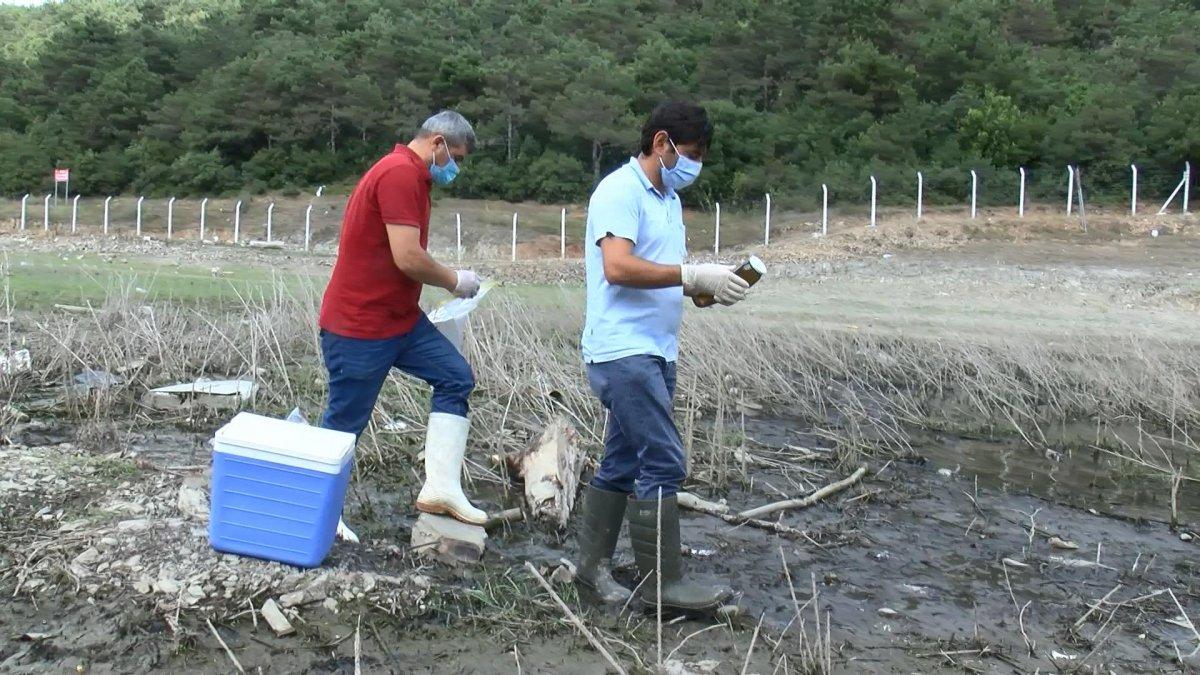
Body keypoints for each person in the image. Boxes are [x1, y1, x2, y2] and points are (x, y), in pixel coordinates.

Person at [574, 101, 748, 613]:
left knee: (623, 461)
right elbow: (619, 267)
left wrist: (703, 290)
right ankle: (661, 585)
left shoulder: (666, 198)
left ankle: (590, 571)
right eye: (688, 154)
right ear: (661, 142)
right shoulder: (620, 190)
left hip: (654, 350)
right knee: (665, 458)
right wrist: (691, 274)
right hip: (622, 351)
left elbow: (660, 274)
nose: (692, 165)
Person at [318, 110, 488, 525]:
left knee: (455, 377)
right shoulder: (399, 173)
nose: (456, 168)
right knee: (343, 425)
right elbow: (408, 256)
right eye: (457, 158)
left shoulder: (412, 175)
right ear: (437, 143)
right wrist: (454, 280)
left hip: (399, 320)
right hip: (359, 326)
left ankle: (441, 489)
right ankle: (318, 513)